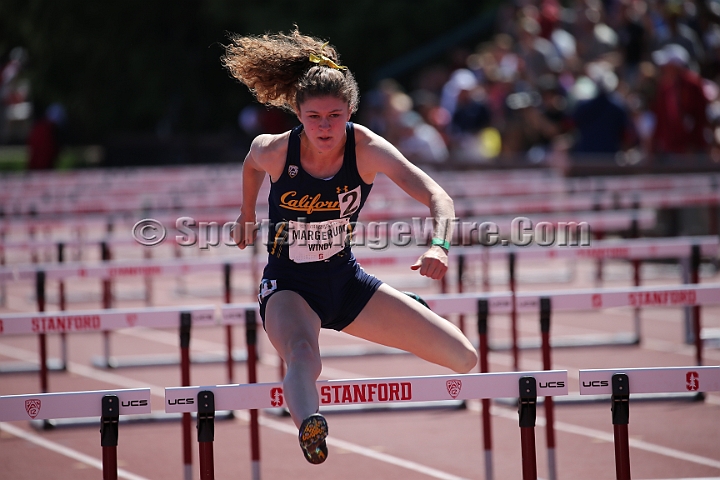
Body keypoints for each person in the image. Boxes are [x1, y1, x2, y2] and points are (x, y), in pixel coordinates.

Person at [222, 28, 478, 465]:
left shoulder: (368, 149)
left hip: (347, 282)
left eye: (335, 116)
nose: (325, 126)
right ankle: (310, 426)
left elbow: (439, 197)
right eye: (315, 116)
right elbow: (250, 165)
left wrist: (439, 246)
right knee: (303, 354)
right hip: (289, 285)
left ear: (352, 111)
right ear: (297, 113)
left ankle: (409, 303)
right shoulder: (275, 151)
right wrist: (247, 215)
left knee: (463, 358)